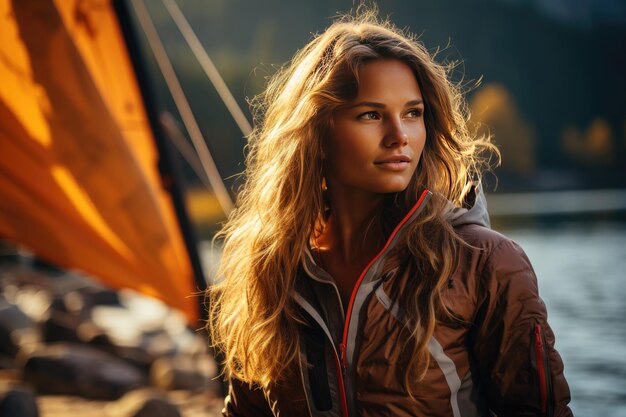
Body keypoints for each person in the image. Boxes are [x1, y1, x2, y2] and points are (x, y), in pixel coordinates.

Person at [208, 9, 573, 417]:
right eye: (371, 115)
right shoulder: (274, 267)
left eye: (413, 114)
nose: (399, 136)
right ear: (319, 131)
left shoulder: (484, 263)